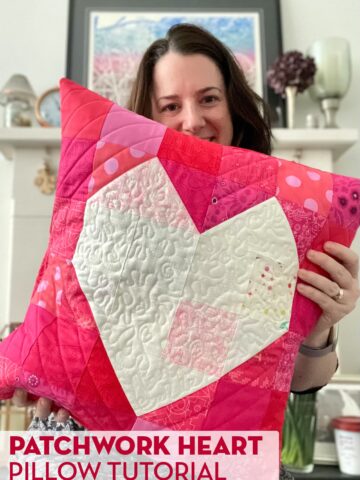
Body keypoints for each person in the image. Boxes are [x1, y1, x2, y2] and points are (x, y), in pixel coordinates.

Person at [12, 22, 360, 478]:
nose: (193, 120)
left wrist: (322, 323)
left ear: (235, 107)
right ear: (146, 118)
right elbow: (63, 323)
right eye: (170, 105)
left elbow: (298, 382)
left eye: (209, 99)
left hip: (219, 455)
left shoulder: (280, 218)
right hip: (87, 441)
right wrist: (52, 379)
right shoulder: (110, 208)